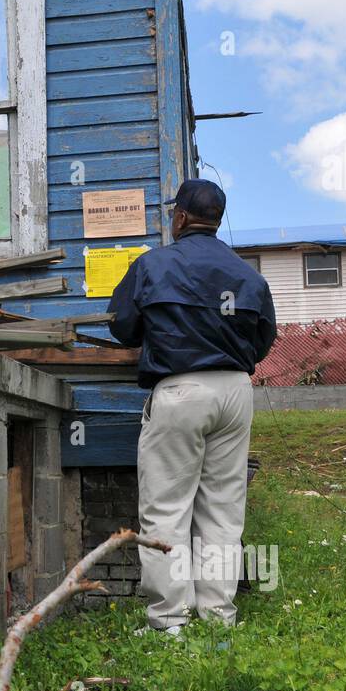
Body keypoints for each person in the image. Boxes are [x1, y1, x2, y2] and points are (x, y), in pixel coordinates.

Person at [107, 179, 276, 635]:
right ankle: (219, 617)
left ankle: (168, 624)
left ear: (180, 217)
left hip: (180, 391)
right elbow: (262, 344)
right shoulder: (249, 276)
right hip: (236, 392)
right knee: (223, 511)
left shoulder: (152, 266)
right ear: (218, 219)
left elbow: (122, 327)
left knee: (167, 510)